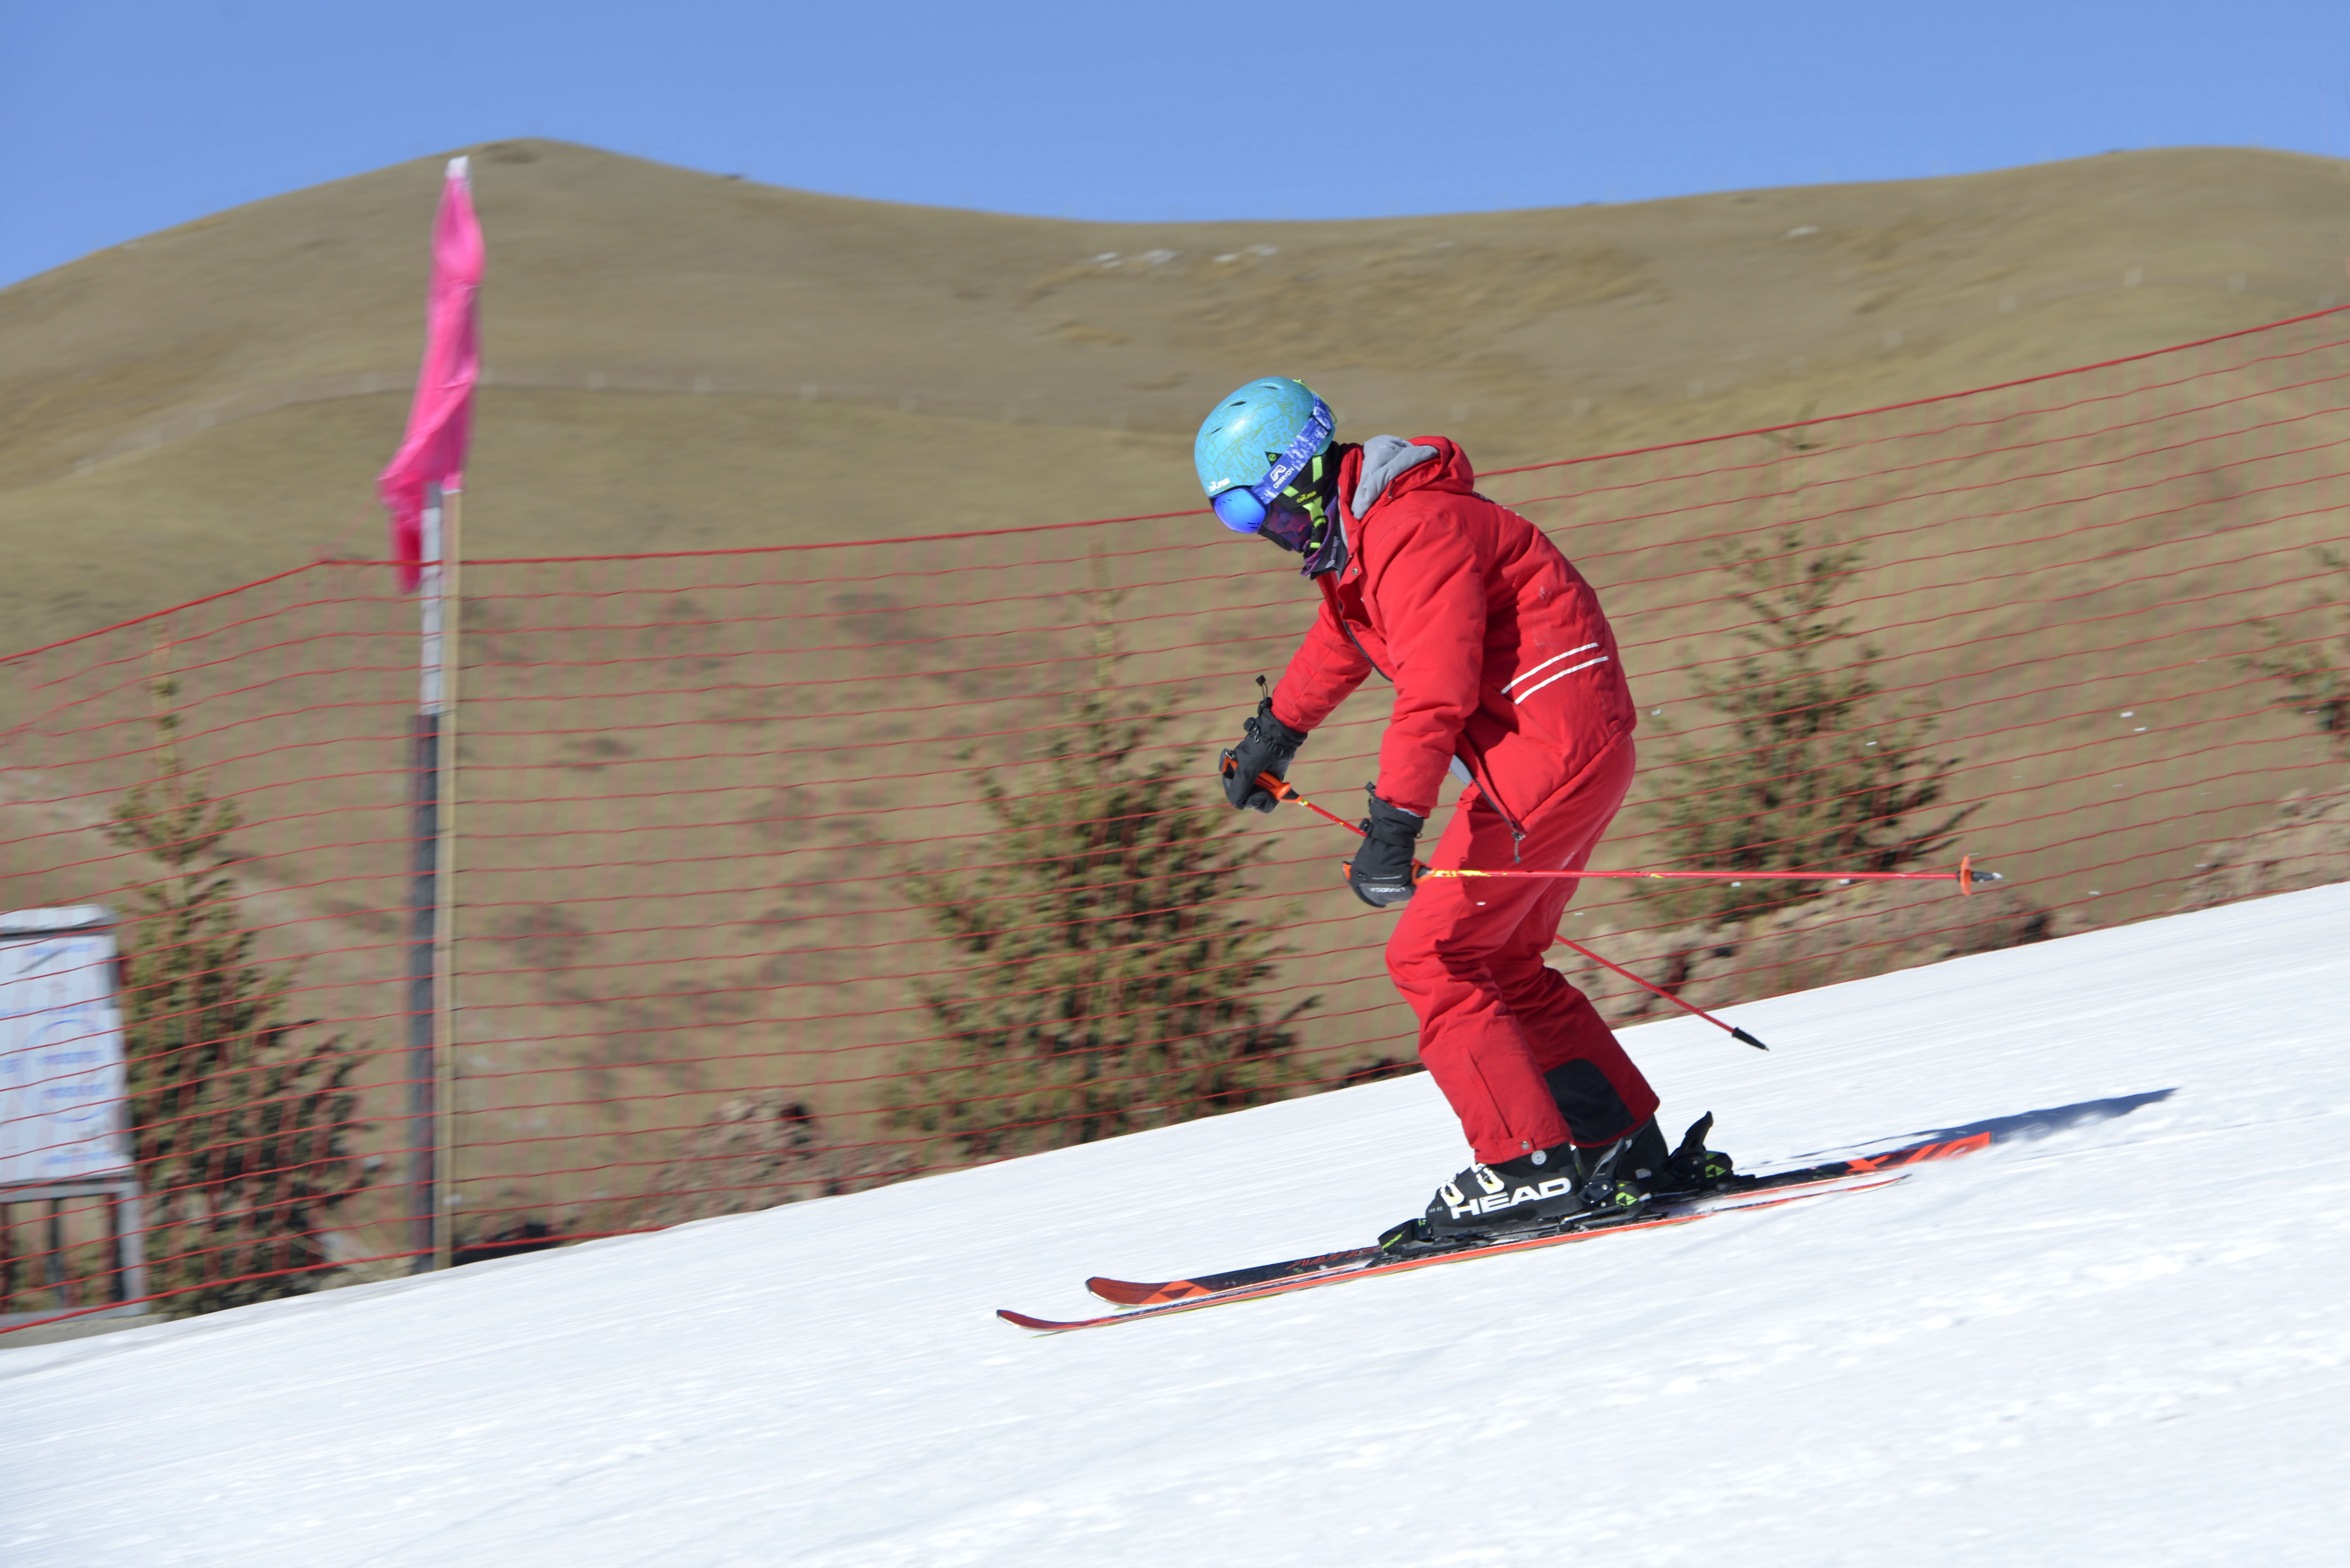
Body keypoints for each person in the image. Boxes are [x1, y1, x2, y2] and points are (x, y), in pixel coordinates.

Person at [1195, 376, 1727, 1241]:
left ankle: (1525, 1167)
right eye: (1240, 522)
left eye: (1257, 513)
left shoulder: (1413, 530)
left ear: (1296, 476)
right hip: (1567, 745)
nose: (1263, 536)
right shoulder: (1372, 541)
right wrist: (1274, 736)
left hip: (1548, 748)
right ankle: (1620, 1145)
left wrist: (1394, 824)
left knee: (1432, 954)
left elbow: (1436, 690)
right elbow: (1345, 638)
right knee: (1503, 961)